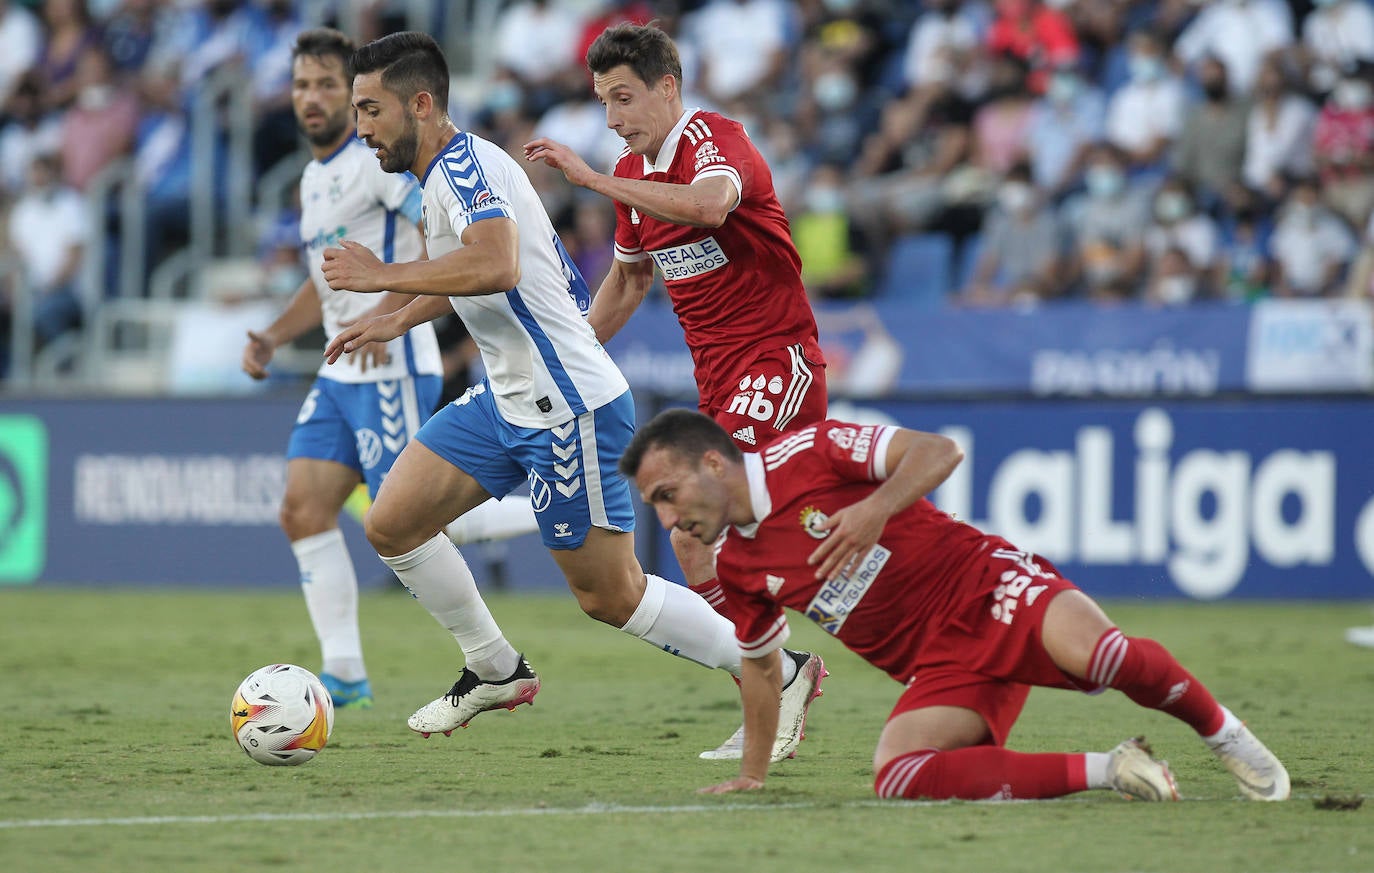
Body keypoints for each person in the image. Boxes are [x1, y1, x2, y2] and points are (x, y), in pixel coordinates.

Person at [319, 31, 823, 760]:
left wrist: (382, 277)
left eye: (370, 108)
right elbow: (514, 270)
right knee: (393, 521)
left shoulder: (466, 169)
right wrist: (394, 315)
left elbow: (494, 263)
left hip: (573, 402)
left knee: (611, 594)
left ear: (420, 104)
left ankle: (783, 670)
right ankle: (494, 666)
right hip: (511, 392)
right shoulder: (444, 176)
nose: (360, 126)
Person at [620, 409, 1292, 803]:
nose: (668, 515)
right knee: (899, 773)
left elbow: (940, 450)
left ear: (713, 463)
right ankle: (1112, 767)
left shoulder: (812, 451)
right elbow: (762, 669)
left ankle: (1224, 732)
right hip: (939, 663)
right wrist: (752, 774)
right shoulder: (738, 563)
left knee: (1103, 656)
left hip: (985, 584)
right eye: (657, 504)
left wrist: (875, 509)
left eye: (667, 492)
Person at [522, 22, 829, 759]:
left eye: (624, 97)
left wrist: (594, 180)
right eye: (603, 102)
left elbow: (710, 207)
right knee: (698, 547)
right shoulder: (634, 170)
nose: (613, 118)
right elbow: (629, 279)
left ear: (668, 86)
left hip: (776, 361)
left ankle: (804, 665)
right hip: (718, 381)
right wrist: (573, 353)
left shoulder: (714, 138)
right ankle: (779, 676)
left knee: (713, 523)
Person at [240, 28, 539, 710]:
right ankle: (343, 670)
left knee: (415, 518)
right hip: (342, 367)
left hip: (392, 361)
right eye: (301, 85)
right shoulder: (315, 177)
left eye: (326, 86)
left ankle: (547, 509)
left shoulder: (381, 166)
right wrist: (272, 334)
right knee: (302, 509)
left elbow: (435, 240)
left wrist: (391, 311)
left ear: (357, 100)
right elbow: (327, 283)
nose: (311, 98)